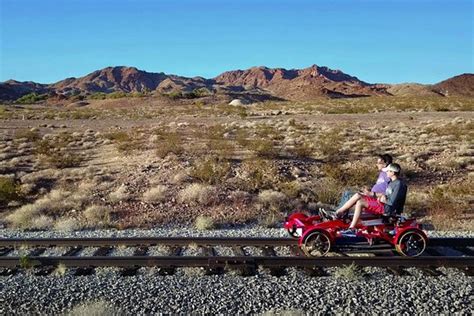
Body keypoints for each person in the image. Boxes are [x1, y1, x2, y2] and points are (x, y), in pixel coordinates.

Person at [336, 163, 407, 234]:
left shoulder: (398, 184)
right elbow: (388, 195)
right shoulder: (392, 182)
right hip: (383, 204)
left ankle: (351, 228)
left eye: (388, 171)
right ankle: (338, 212)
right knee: (358, 195)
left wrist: (382, 199)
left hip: (387, 208)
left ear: (393, 172)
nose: (386, 172)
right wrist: (377, 195)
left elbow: (392, 201)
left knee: (360, 202)